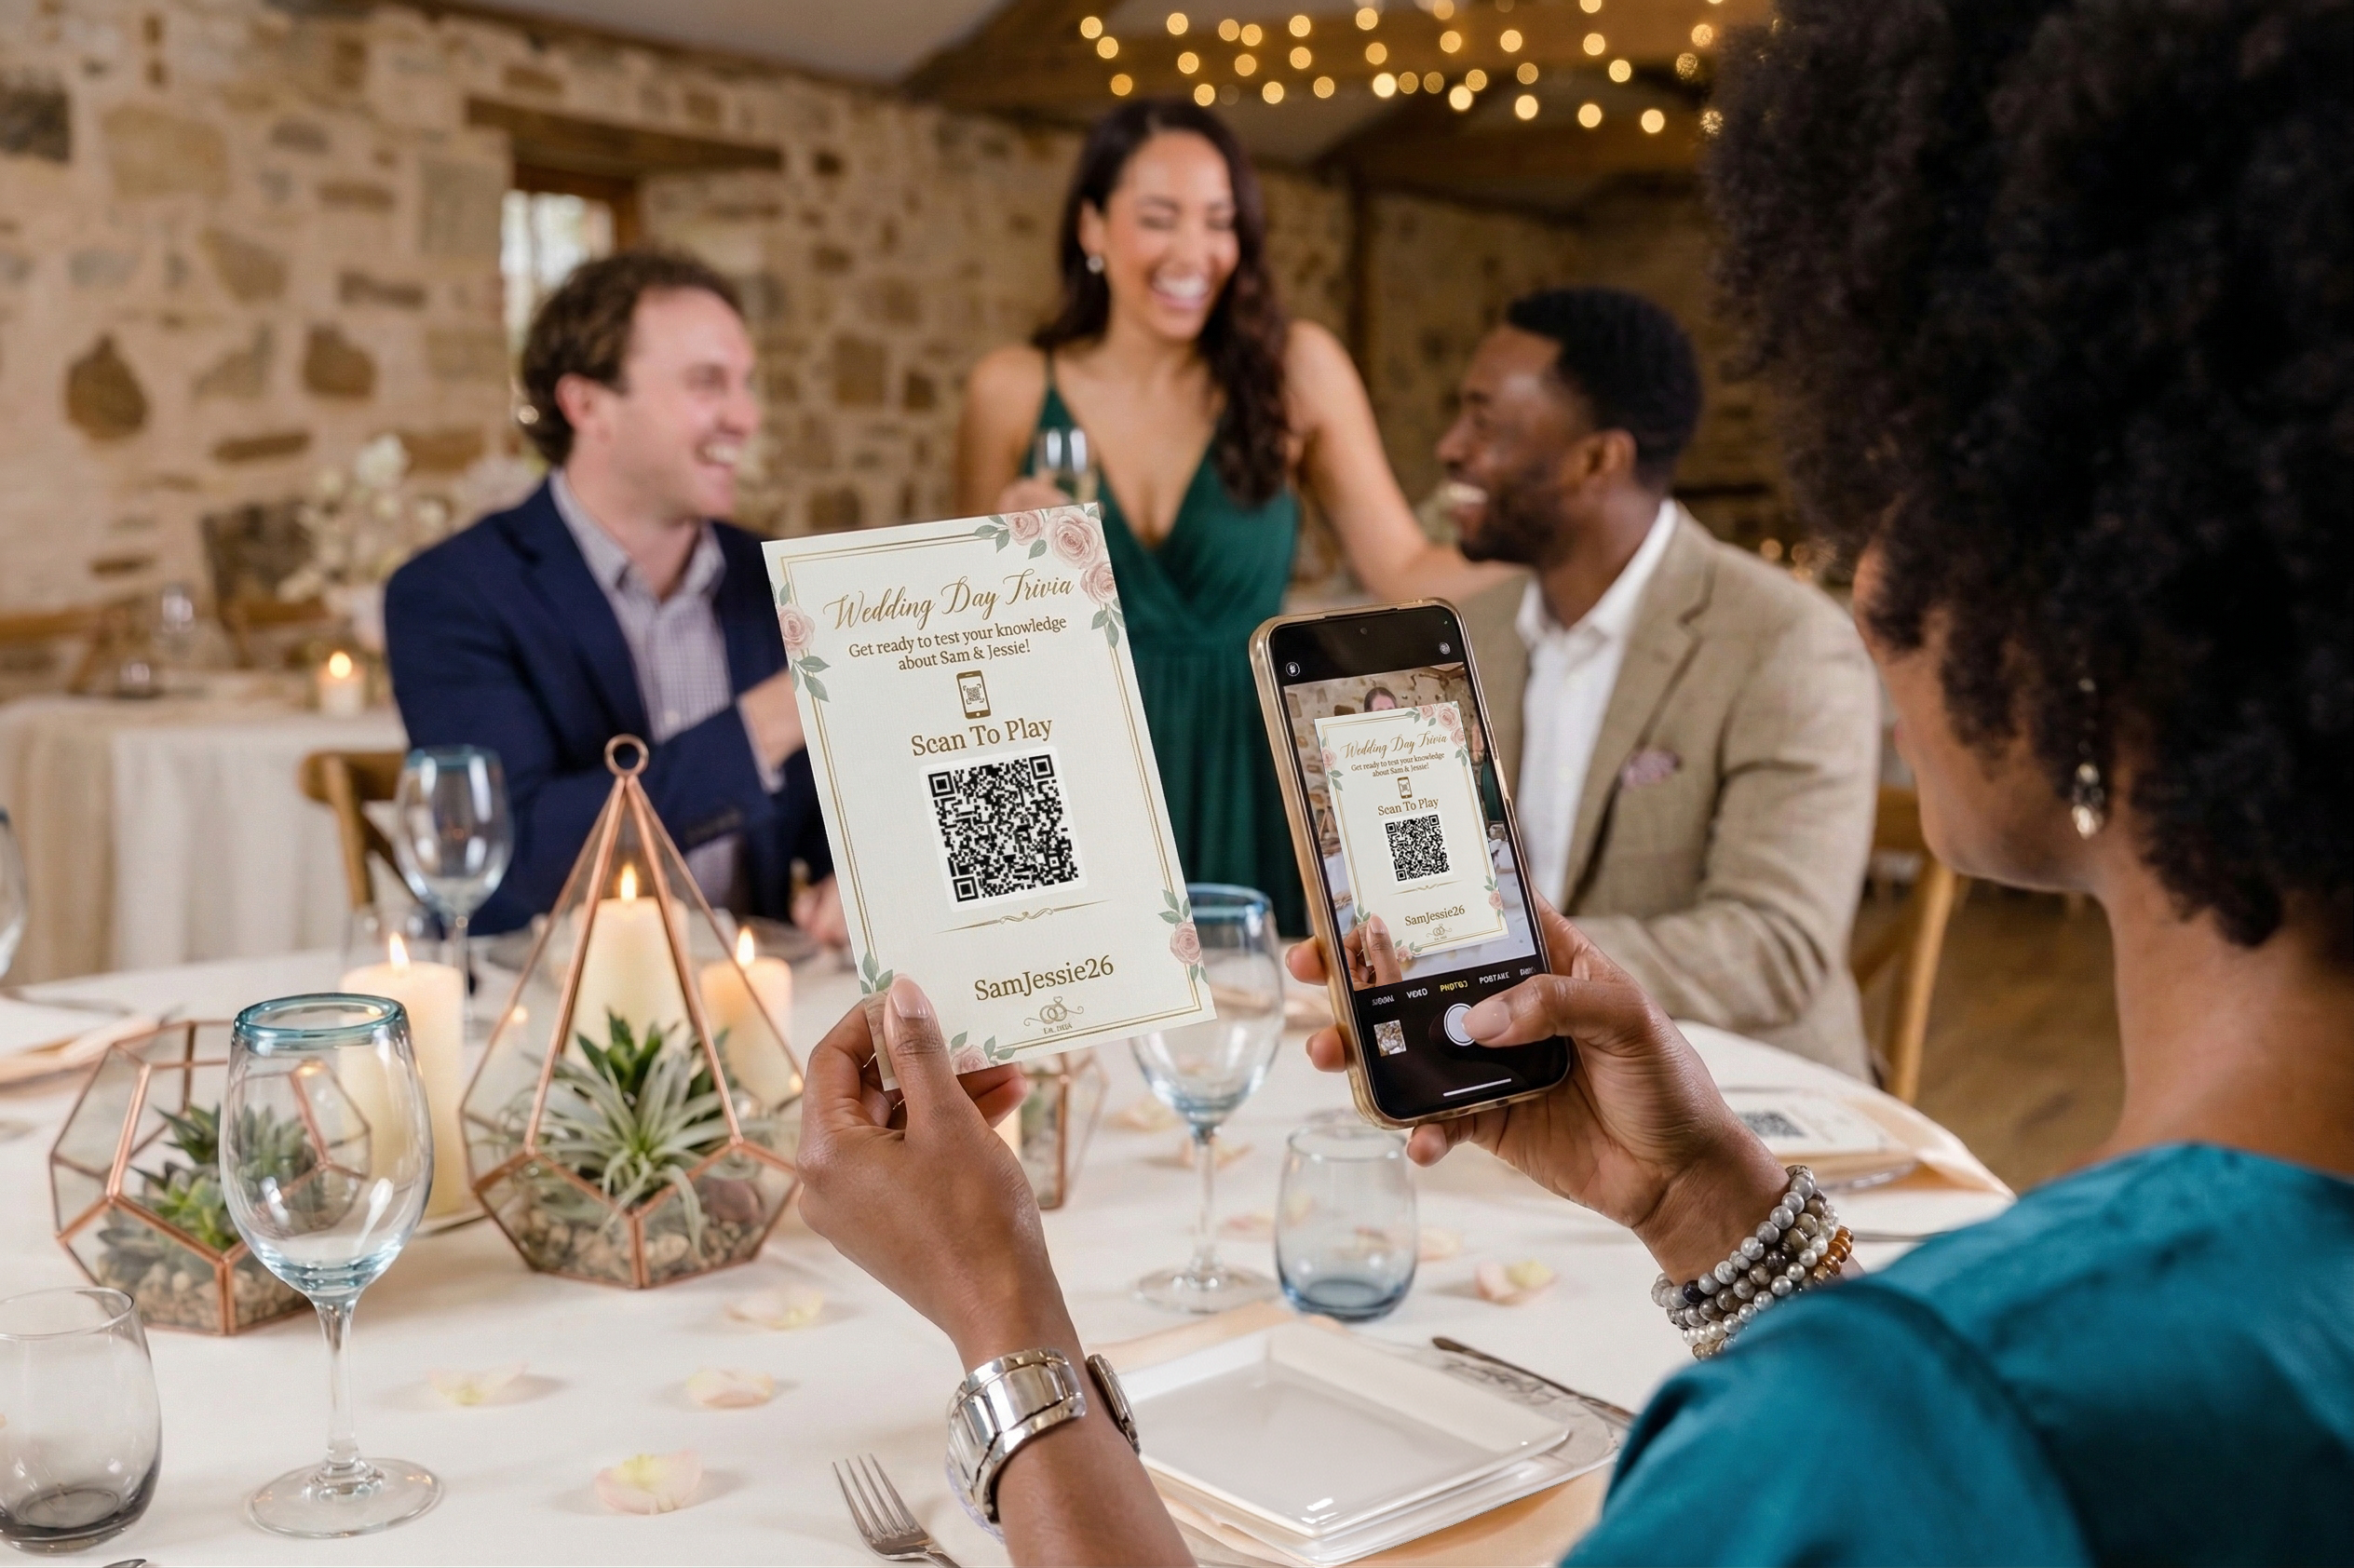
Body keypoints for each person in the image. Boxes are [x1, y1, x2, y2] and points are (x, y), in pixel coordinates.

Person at [790, 0, 2354, 1561]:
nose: (1872, 574)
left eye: (1917, 489)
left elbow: (1925, 1443)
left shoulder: (1900, 1422)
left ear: (2096, 602)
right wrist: (1705, 1204)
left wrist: (1003, 1316)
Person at [956, 99, 1505, 936]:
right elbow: (969, 649)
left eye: (1219, 222)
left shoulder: (1298, 370)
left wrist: (1576, 553)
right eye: (1159, 218)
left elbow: (1404, 568)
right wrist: (1001, 565)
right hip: (1086, 769)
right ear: (1091, 227)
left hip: (1254, 769)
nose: (1194, 253)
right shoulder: (1010, 390)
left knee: (1267, 1036)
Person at [1442, 288, 1881, 1077]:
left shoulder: (1786, 641)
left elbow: (1774, 947)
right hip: (1520, 1083)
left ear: (1596, 460)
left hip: (1747, 1109)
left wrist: (1505, 960)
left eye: (1485, 423)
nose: (1450, 448)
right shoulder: (1471, 634)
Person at [386, 250, 846, 941]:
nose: (746, 418)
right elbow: (521, 861)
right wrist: (769, 721)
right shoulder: (451, 593)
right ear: (587, 405)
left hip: (763, 1002)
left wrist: (859, 877)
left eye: (746, 385)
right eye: (706, 384)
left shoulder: (774, 578)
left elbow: (841, 817)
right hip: (541, 1010)